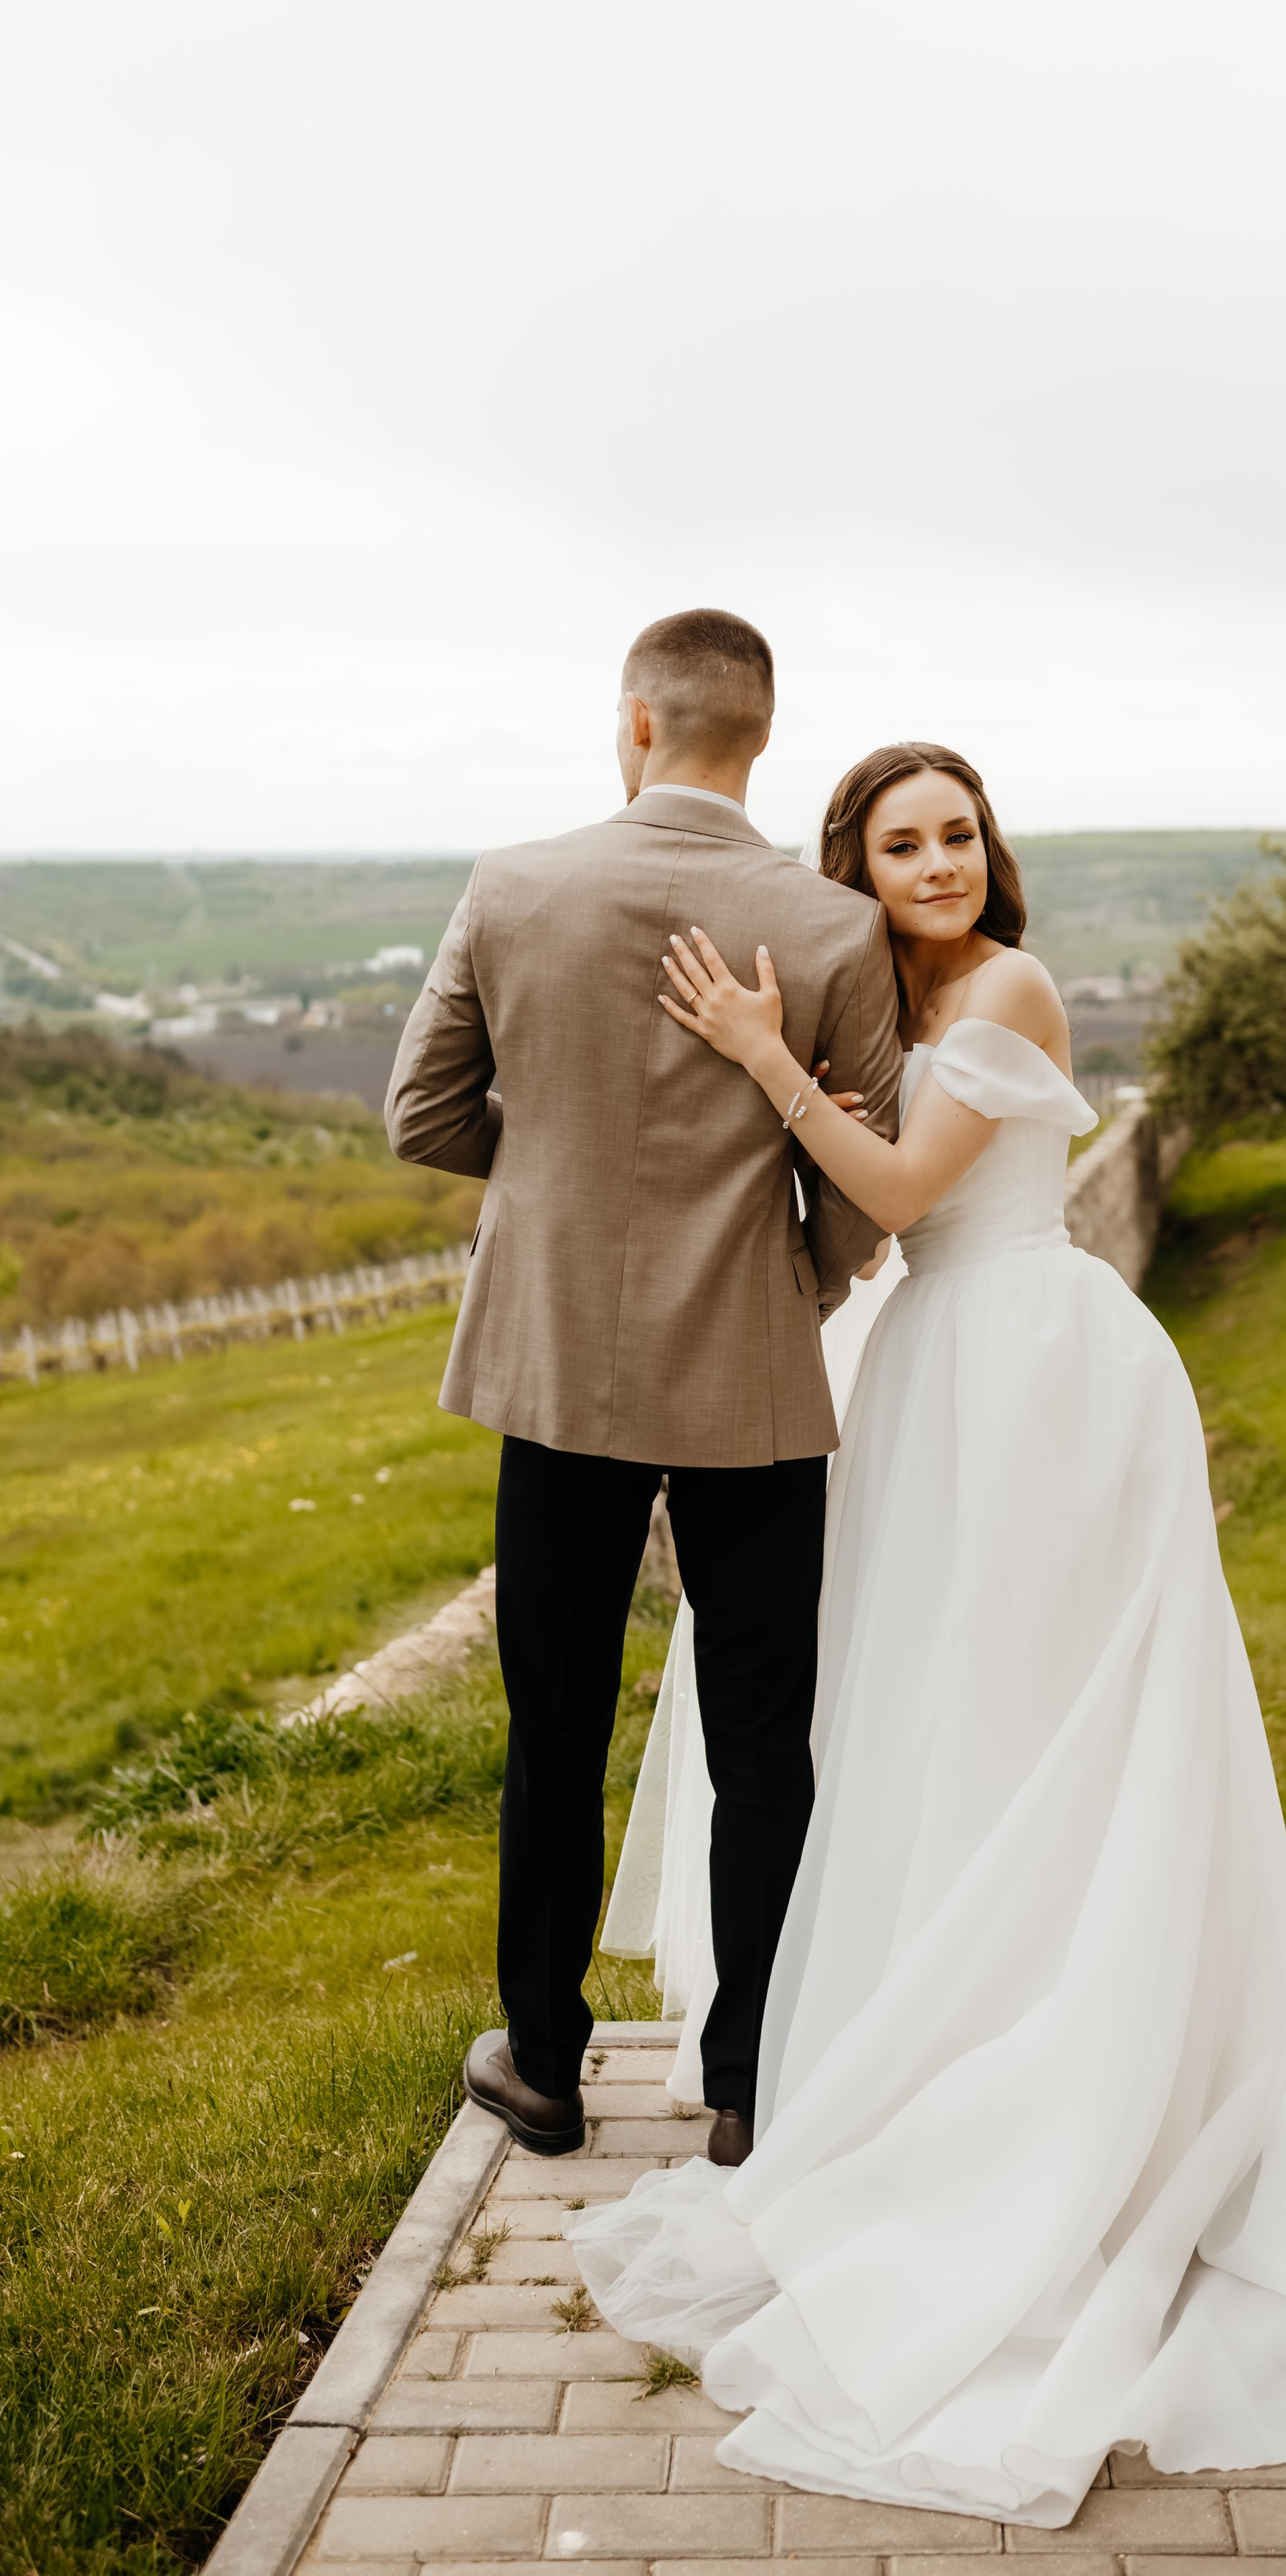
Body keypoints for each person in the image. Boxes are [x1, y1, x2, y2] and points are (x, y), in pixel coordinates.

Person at [570, 741, 1286, 2529]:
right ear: (855, 866)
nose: (941, 863)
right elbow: (850, 1222)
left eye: (960, 834)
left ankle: (1088, 2056)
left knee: (1056, 1711)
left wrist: (759, 1058)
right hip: (932, 1379)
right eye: (905, 843)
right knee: (935, 1721)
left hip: (1044, 1375)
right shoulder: (883, 999)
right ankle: (950, 2028)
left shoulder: (1012, 991)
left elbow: (903, 1194)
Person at [384, 610, 902, 2162]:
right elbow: (860, 1190)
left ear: (634, 724)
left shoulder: (511, 887)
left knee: (552, 1725)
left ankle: (544, 2067)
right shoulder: (831, 929)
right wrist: (800, 1275)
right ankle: (748, 2083)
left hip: (557, 1370)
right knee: (761, 1737)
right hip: (750, 1368)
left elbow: (423, 1116)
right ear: (760, 736)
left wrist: (554, 1175)